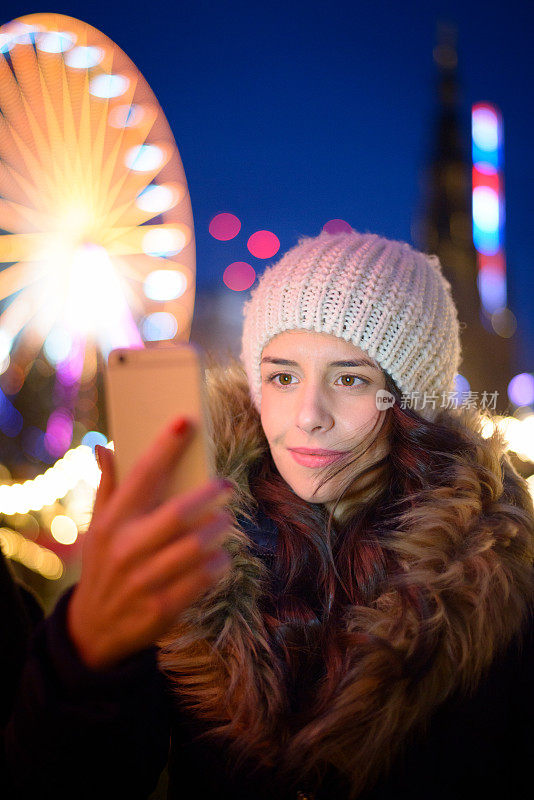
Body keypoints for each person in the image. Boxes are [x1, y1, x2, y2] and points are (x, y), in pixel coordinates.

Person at [2, 229, 533, 800]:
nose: (307, 415)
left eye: (350, 379)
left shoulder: (499, 588)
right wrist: (85, 658)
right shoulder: (198, 556)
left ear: (409, 403)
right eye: (283, 377)